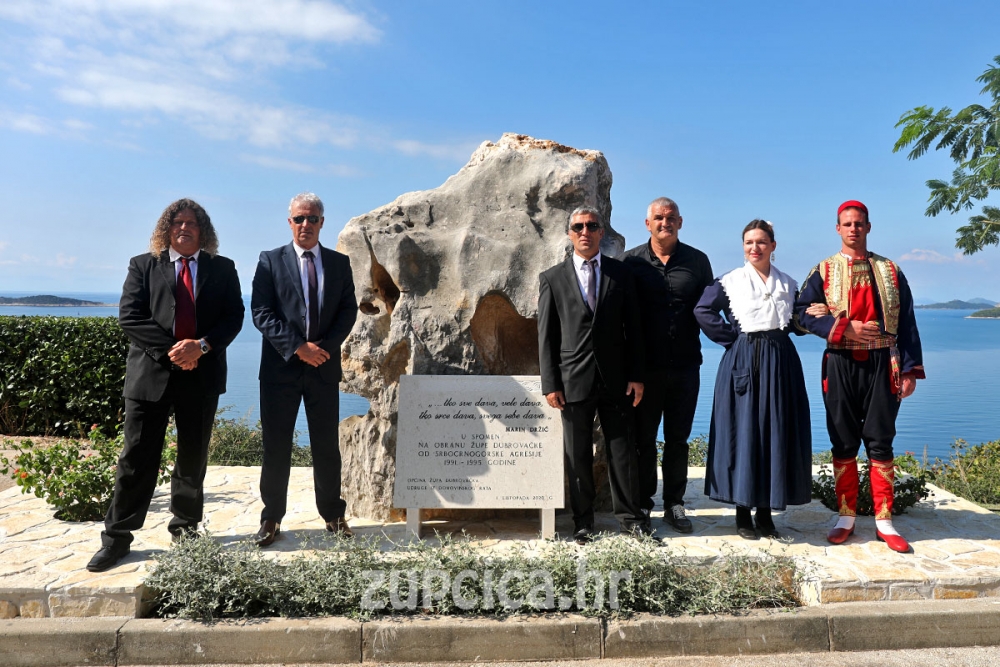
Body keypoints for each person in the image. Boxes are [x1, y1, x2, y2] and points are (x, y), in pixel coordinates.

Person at [87, 199, 244, 572]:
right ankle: (117, 539)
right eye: (176, 223)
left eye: (192, 223)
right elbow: (130, 316)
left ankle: (185, 531)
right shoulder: (143, 265)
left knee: (192, 459)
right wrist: (175, 351)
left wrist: (200, 347)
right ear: (166, 229)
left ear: (203, 231)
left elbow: (233, 316)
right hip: (150, 376)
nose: (184, 228)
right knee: (135, 459)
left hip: (201, 376)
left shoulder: (222, 268)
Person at [795, 200, 925, 553]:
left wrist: (911, 369)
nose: (853, 229)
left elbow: (908, 323)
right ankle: (846, 517)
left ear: (868, 227)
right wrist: (840, 325)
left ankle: (884, 520)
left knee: (881, 440)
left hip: (884, 363)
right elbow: (799, 315)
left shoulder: (891, 270)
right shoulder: (822, 271)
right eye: (847, 224)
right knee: (843, 439)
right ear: (838, 229)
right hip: (839, 363)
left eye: (859, 223)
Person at [694, 220, 813, 539]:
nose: (754, 248)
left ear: (773, 246)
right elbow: (703, 310)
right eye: (749, 242)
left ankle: (766, 511)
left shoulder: (788, 283)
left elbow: (796, 322)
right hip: (742, 360)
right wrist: (732, 338)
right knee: (744, 432)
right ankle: (743, 512)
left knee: (775, 431)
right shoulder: (730, 281)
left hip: (780, 361)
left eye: (761, 242)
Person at [251, 192, 358, 546]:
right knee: (276, 446)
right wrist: (299, 348)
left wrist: (322, 350)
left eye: (312, 218)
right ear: (290, 222)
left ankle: (333, 515)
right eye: (299, 219)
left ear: (322, 222)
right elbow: (261, 313)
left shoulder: (339, 264)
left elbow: (348, 311)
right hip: (280, 370)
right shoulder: (270, 261)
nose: (306, 225)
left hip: (323, 368)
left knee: (326, 446)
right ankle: (271, 518)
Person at [537, 206, 648, 544]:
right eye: (578, 226)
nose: (585, 231)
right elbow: (546, 335)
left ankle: (631, 520)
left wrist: (637, 375)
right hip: (572, 381)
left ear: (601, 232)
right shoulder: (552, 278)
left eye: (592, 226)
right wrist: (550, 383)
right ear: (569, 233)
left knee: (622, 451)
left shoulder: (621, 274)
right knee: (577, 454)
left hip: (617, 379)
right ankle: (583, 523)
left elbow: (635, 329)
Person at [622, 197, 713, 533]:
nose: (665, 222)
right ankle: (643, 506)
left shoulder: (698, 261)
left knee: (678, 440)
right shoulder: (630, 262)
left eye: (671, 217)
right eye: (659, 218)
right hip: (644, 372)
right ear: (648, 223)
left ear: (680, 222)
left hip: (686, 366)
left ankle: (674, 504)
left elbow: (713, 307)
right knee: (643, 440)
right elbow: (620, 317)